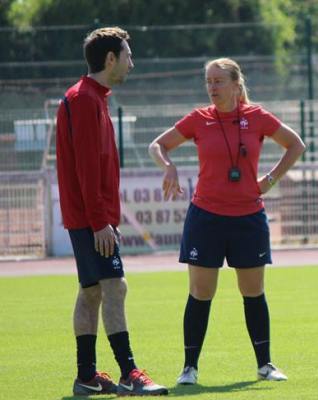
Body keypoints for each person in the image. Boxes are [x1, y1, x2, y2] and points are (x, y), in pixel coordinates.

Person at [148, 57, 305, 384]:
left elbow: (295, 145)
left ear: (236, 84)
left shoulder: (256, 117)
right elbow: (158, 145)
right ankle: (189, 368)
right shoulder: (199, 119)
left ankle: (265, 365)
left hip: (248, 217)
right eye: (208, 81)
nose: (212, 88)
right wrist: (168, 167)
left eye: (219, 81)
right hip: (206, 217)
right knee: (200, 293)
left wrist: (271, 179)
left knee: (253, 291)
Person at [56, 27, 168, 396]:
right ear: (110, 59)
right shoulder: (85, 100)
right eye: (127, 55)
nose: (131, 63)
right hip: (91, 219)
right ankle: (128, 373)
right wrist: (100, 221)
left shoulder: (91, 97)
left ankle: (86, 377)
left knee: (92, 291)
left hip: (89, 217)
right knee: (114, 287)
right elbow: (86, 168)